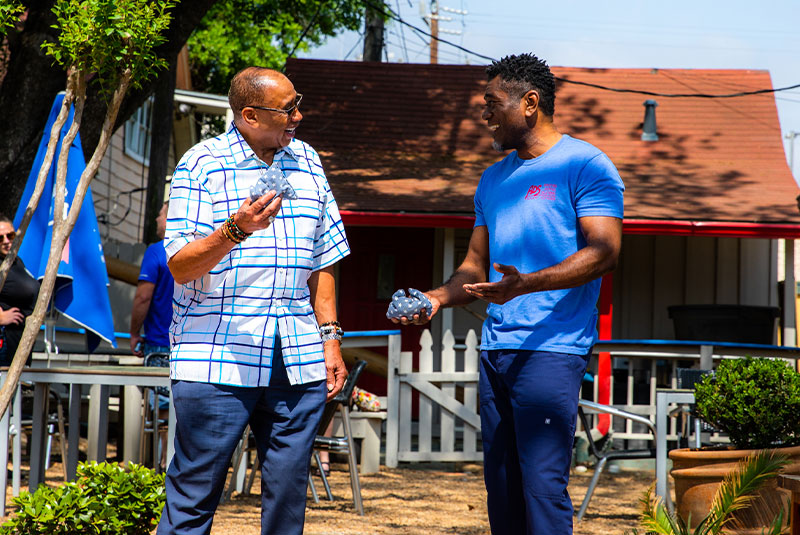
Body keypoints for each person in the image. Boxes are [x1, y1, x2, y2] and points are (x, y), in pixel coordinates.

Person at [392, 53, 624, 534]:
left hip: (551, 350)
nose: (485, 114)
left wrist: (526, 284)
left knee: (541, 487)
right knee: (501, 488)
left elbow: (604, 252)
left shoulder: (586, 165)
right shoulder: (493, 179)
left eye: (493, 103)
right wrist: (435, 299)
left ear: (531, 103)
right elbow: (474, 267)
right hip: (496, 349)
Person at [157, 66, 350, 535]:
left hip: (297, 356)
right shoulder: (200, 163)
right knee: (194, 496)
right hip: (216, 358)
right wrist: (235, 230)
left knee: (288, 499)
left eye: (296, 103)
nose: (298, 116)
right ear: (248, 115)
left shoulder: (307, 161)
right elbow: (180, 265)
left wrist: (330, 338)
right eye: (287, 109)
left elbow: (324, 257)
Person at [130, 200, 173, 470]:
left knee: (164, 413)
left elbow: (143, 298)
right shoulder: (204, 249)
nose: (157, 219)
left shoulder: (157, 252)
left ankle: (164, 469)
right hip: (196, 347)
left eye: (159, 213)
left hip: (160, 347)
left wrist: (133, 333)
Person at [0, 214, 40, 367]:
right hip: (4, 345)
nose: (6, 241)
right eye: (0, 238)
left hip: (20, 345)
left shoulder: (16, 261)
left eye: (10, 235)